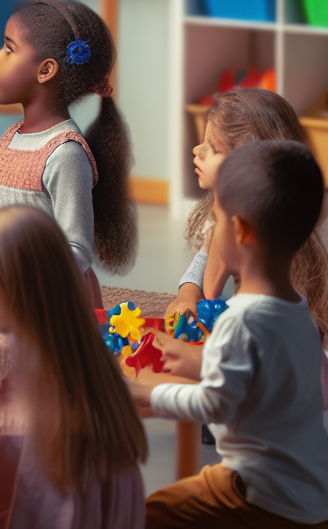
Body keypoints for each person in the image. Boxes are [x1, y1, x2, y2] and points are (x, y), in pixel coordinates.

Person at [132, 140, 328, 528]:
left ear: (238, 231)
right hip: (313, 491)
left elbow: (215, 405)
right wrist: (198, 359)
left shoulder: (239, 319)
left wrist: (148, 394)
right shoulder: (297, 311)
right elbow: (269, 372)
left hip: (259, 492)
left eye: (217, 220)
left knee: (152, 514)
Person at [0, 205, 146, 528]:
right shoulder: (79, 338)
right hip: (100, 507)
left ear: (6, 297)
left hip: (51, 504)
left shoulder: (5, 348)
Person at [0, 0, 137, 308]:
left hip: (48, 300)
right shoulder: (10, 138)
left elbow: (76, 247)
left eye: (9, 49)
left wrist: (27, 287)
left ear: (45, 71)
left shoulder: (64, 153)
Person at [166, 87, 328, 341]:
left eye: (213, 148)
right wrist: (187, 293)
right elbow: (204, 267)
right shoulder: (229, 212)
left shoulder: (277, 240)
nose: (197, 150)